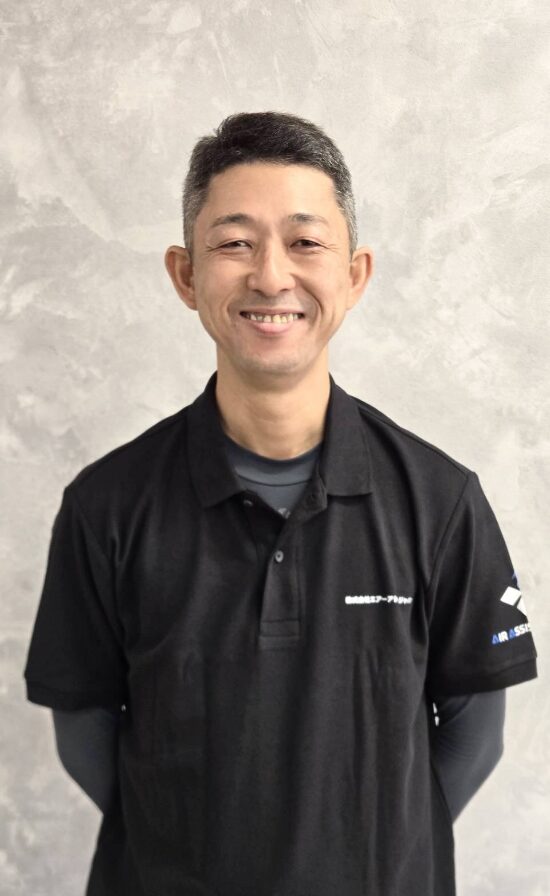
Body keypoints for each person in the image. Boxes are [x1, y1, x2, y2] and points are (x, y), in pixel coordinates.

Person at [23, 111, 538, 896]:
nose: (270, 277)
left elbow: (476, 729)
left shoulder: (439, 500)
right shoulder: (108, 506)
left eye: (305, 243)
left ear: (355, 274)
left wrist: (374, 854)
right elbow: (84, 728)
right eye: (234, 243)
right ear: (185, 275)